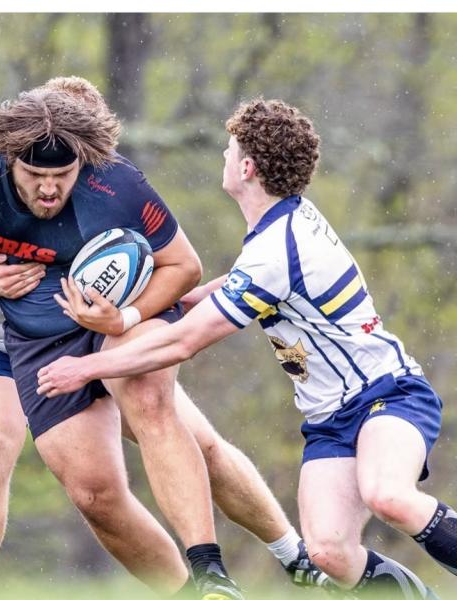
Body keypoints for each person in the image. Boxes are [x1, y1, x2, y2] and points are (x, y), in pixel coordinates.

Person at [37, 98, 456, 599]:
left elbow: (184, 341)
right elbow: (241, 283)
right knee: (328, 554)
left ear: (247, 167)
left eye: (229, 149)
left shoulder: (278, 249)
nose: (224, 155)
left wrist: (85, 367)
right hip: (328, 420)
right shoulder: (283, 222)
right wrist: (178, 293)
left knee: (388, 495)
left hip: (388, 395)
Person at [0, 78, 272, 599]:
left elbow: (179, 266)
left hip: (80, 336)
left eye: (69, 169)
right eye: (37, 171)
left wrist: (129, 315)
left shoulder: (112, 192)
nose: (51, 187)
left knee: (180, 427)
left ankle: (263, 566)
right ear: (15, 149)